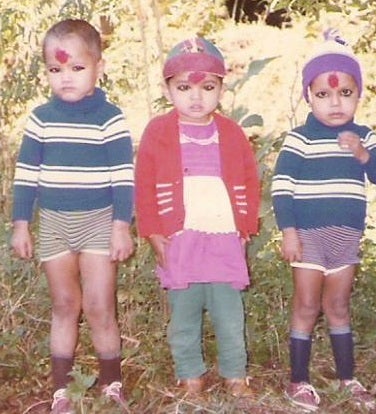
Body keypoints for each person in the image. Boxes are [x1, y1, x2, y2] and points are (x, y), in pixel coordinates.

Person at [11, 19, 134, 414]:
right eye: (55, 69)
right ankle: (62, 389)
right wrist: (21, 224)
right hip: (55, 225)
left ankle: (112, 381)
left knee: (99, 305)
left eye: (77, 68)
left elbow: (122, 178)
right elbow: (26, 175)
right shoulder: (40, 119)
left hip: (99, 222)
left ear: (99, 66)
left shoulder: (110, 118)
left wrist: (121, 227)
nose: (66, 78)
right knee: (65, 304)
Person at [271, 30, 376, 412]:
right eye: (323, 95)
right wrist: (289, 232)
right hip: (309, 237)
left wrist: (362, 153)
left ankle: (347, 377)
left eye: (345, 94)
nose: (335, 103)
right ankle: (299, 381)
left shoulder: (364, 136)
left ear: (358, 95)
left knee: (338, 306)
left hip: (346, 237)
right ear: (309, 96)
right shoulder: (299, 139)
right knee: (307, 306)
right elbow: (281, 187)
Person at [135, 37, 260, 398]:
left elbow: (250, 182)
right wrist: (153, 232)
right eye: (184, 87)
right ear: (168, 89)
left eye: (207, 87)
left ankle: (236, 375)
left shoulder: (232, 133)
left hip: (223, 237)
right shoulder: (157, 132)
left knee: (229, 313)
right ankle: (190, 375)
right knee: (184, 314)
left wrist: (245, 225)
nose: (195, 97)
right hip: (180, 239)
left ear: (221, 87)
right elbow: (143, 185)